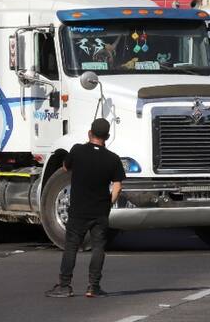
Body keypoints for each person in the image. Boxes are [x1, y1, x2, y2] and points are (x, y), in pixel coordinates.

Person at [46, 118, 125, 298]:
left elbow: (65, 167)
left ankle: (65, 285)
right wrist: (108, 204)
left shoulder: (77, 150)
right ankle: (93, 286)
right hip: (100, 211)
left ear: (90, 133)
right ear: (108, 136)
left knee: (71, 246)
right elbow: (118, 186)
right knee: (98, 247)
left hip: (78, 210)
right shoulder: (112, 159)